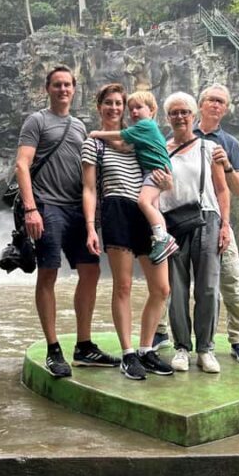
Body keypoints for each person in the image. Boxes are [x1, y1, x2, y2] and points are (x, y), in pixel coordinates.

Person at [15, 65, 120, 378]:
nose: (63, 89)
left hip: (77, 209)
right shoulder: (37, 120)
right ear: (47, 89)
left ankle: (84, 345)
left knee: (91, 271)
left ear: (75, 90)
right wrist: (31, 209)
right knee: (48, 273)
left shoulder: (79, 127)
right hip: (47, 207)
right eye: (57, 85)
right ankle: (52, 348)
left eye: (68, 85)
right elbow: (22, 165)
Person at [82, 83, 173, 380]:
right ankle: (128, 353)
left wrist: (167, 183)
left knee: (162, 288)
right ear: (100, 107)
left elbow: (158, 169)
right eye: (108, 103)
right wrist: (90, 228)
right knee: (123, 286)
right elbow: (89, 188)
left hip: (146, 212)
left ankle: (147, 349)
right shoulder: (93, 143)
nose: (115, 108)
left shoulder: (138, 138)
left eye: (119, 103)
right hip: (117, 209)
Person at [158, 92, 231, 374]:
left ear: (193, 115)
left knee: (209, 287)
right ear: (168, 117)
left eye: (184, 112)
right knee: (176, 288)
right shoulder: (161, 150)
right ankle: (181, 348)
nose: (180, 117)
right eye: (174, 112)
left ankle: (206, 349)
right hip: (173, 221)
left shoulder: (208, 148)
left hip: (207, 218)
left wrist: (225, 225)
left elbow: (223, 189)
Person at [194, 84, 239, 364]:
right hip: (182, 219)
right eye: (211, 100)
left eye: (221, 102)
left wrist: (228, 165)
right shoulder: (182, 134)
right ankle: (163, 334)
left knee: (232, 280)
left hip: (219, 220)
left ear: (226, 109)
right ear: (200, 104)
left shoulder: (229, 142)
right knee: (173, 283)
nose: (216, 105)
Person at [90, 90, 177, 265]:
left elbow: (121, 136)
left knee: (143, 202)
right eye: (131, 109)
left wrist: (96, 134)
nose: (134, 112)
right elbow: (123, 146)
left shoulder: (145, 126)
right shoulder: (144, 132)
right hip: (153, 172)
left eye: (139, 107)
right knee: (153, 206)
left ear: (152, 110)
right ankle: (162, 237)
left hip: (155, 172)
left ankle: (163, 238)